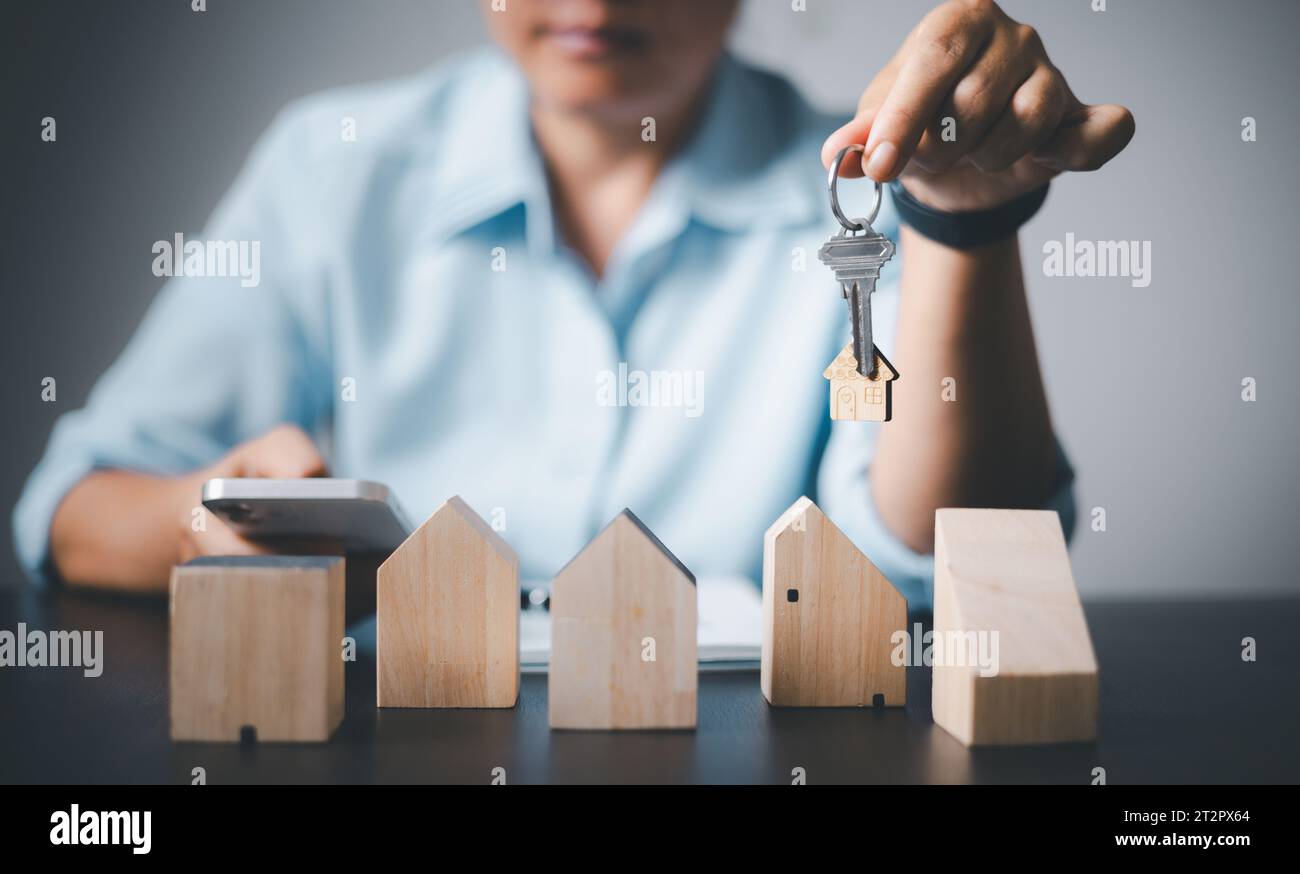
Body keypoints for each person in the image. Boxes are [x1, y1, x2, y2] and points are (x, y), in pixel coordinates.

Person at [14, 0, 1133, 611]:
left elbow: (944, 562)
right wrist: (210, 528)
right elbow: (71, 505)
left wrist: (965, 224)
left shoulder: (884, 174)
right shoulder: (330, 164)